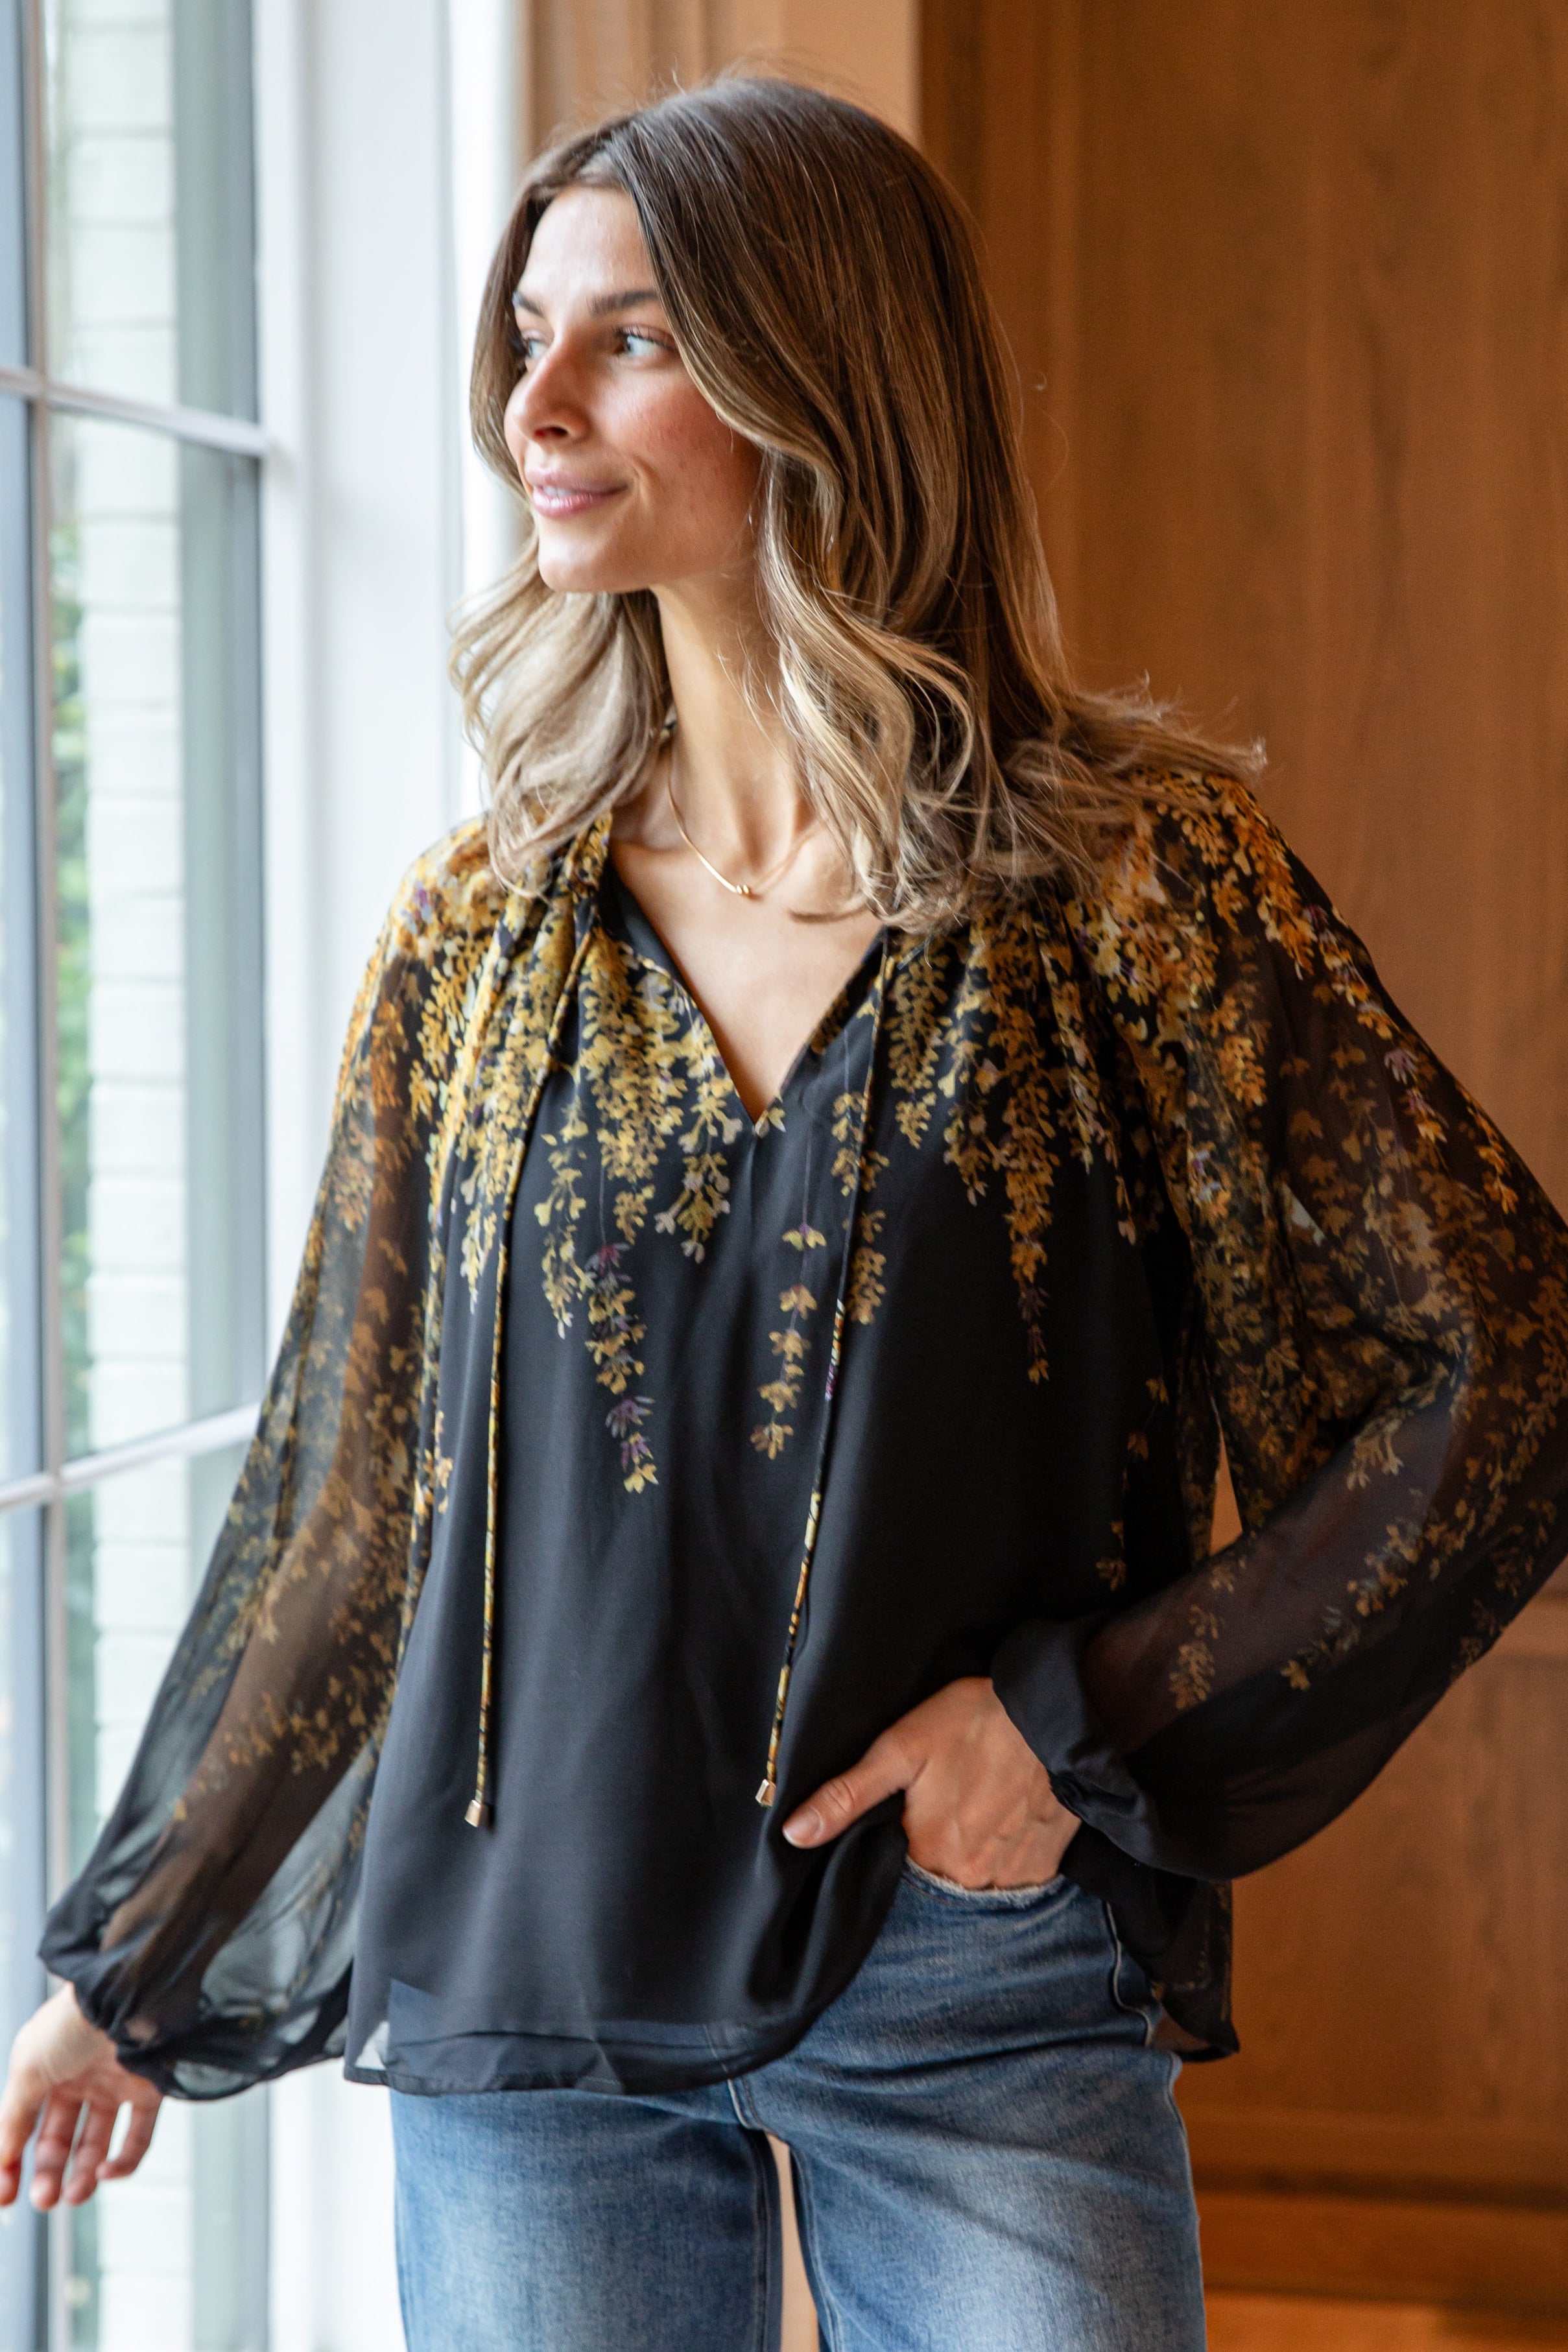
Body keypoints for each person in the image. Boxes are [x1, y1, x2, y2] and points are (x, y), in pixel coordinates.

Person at [4, 76, 1567, 2352]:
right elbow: (349, 1504)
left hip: (973, 1974)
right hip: (532, 1993)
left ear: (819, 379)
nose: (532, 403)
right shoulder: (480, 933)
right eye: (526, 335)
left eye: (624, 338)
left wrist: (1067, 1724)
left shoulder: (1122, 886)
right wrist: (128, 1976)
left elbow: (1505, 1363)